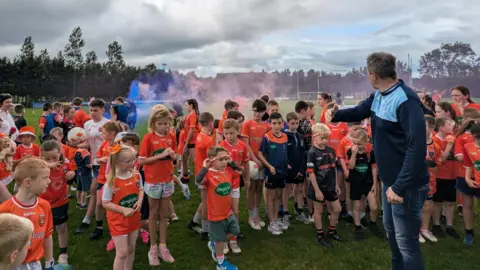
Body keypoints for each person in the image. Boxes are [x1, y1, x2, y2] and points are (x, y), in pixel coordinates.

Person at [326, 52, 429, 270]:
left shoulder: (406, 100)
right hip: (391, 182)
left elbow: (417, 147)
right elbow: (359, 111)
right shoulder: (379, 95)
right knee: (393, 238)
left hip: (406, 186)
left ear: (373, 75)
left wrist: (400, 186)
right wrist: (335, 114)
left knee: (407, 245)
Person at [0, 158, 54, 270]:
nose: (49, 181)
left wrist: (50, 262)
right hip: (11, 265)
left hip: (35, 264)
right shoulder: (5, 209)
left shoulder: (44, 206)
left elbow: (47, 236)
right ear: (28, 182)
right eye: (45, 178)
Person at [139, 109, 176, 266]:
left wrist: (173, 157)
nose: (163, 127)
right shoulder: (148, 138)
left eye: (165, 123)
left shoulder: (171, 137)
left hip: (167, 180)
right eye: (159, 124)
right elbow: (141, 161)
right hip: (153, 181)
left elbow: (174, 159)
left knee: (164, 215)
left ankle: (163, 246)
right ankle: (153, 248)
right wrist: (161, 156)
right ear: (153, 124)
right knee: (153, 215)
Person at [197, 146, 242, 270]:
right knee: (220, 240)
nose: (224, 162)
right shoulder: (209, 175)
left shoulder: (228, 170)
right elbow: (198, 180)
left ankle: (214, 243)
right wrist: (205, 167)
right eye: (220, 159)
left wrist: (231, 161)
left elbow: (240, 171)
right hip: (216, 215)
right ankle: (220, 263)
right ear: (211, 160)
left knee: (235, 231)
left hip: (228, 212)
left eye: (225, 159)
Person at [102, 144, 144, 270]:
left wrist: (140, 201)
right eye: (129, 160)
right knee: (122, 253)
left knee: (131, 249)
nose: (133, 162)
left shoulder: (136, 175)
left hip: (134, 219)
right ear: (118, 163)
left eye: (133, 159)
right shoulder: (111, 181)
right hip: (118, 222)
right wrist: (123, 210)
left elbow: (141, 189)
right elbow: (105, 202)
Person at [76, 99, 109, 239]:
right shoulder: (87, 124)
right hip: (95, 162)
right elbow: (88, 143)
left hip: (106, 163)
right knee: (95, 192)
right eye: (91, 110)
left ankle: (91, 220)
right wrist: (75, 145)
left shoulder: (107, 124)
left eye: (96, 110)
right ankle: (91, 220)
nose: (93, 113)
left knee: (97, 191)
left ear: (102, 109)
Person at [306, 123, 344, 248]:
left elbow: (333, 169)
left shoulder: (331, 151)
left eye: (326, 138)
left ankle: (332, 231)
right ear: (314, 137)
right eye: (322, 138)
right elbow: (311, 174)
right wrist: (317, 191)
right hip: (318, 187)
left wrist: (337, 185)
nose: (325, 141)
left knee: (337, 209)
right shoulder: (311, 153)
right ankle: (320, 235)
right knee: (319, 210)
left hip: (330, 186)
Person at [39, 140, 75, 265]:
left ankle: (63, 253)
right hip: (42, 204)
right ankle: (43, 254)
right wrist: (45, 166)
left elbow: (70, 172)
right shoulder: (38, 167)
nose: (52, 161)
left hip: (61, 202)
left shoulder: (64, 165)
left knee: (61, 227)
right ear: (41, 157)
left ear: (60, 154)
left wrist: (72, 174)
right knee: (42, 230)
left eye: (54, 157)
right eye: (47, 158)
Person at [346, 128, 383, 239]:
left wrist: (374, 184)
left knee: (374, 207)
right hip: (356, 182)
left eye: (360, 144)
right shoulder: (351, 151)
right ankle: (357, 227)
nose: (357, 145)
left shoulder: (370, 152)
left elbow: (373, 168)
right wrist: (353, 154)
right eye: (355, 143)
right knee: (356, 205)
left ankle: (372, 223)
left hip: (368, 182)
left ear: (367, 142)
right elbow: (351, 167)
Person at [219, 118, 250, 248]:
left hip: (236, 183)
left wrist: (247, 179)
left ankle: (233, 238)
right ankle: (223, 240)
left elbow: (246, 163)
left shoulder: (243, 146)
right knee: (224, 211)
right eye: (226, 133)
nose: (229, 136)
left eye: (231, 133)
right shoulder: (221, 147)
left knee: (235, 211)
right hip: (223, 184)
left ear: (238, 131)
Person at [241, 99, 271, 230]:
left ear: (264, 112)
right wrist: (254, 159)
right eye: (255, 111)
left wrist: (263, 161)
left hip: (262, 162)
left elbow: (267, 147)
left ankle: (257, 215)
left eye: (259, 111)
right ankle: (251, 216)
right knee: (251, 189)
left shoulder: (267, 127)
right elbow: (245, 144)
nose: (257, 114)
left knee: (259, 189)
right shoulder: (247, 124)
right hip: (251, 162)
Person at [258, 112, 289, 235]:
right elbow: (260, 153)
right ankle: (272, 223)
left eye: (279, 123)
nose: (277, 126)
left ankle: (276, 219)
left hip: (282, 172)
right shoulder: (267, 137)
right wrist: (269, 166)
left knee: (278, 196)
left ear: (282, 124)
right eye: (274, 123)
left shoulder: (285, 137)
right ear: (270, 124)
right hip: (271, 172)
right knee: (271, 197)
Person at [431, 117, 460, 239]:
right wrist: (449, 145)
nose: (452, 126)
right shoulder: (435, 140)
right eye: (449, 124)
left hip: (452, 175)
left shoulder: (454, 138)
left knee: (450, 202)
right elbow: (441, 159)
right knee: (437, 202)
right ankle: (436, 225)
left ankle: (449, 226)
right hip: (439, 175)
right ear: (441, 127)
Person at [189, 112, 215, 240]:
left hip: (199, 172)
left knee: (204, 200)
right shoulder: (208, 140)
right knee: (207, 204)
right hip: (205, 175)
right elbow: (211, 159)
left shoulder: (200, 136)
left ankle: (194, 222)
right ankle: (206, 231)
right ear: (210, 123)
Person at [282, 112, 306, 225]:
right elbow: (283, 154)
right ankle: (285, 213)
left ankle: (300, 211)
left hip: (299, 169)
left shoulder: (300, 136)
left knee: (299, 190)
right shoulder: (283, 136)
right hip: (289, 169)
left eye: (297, 123)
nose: (295, 125)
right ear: (287, 123)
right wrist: (289, 167)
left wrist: (302, 169)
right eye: (292, 123)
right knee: (287, 190)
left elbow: (303, 154)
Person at [421, 115, 441, 243]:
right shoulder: (414, 143)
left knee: (428, 206)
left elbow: (437, 167)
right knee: (416, 206)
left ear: (432, 128)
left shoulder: (436, 146)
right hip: (416, 180)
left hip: (430, 181)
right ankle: (415, 230)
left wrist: (431, 165)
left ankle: (425, 229)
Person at [462, 122, 480, 246]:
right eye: (476, 137)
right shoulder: (468, 146)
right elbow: (468, 165)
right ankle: (469, 232)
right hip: (473, 182)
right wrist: (467, 178)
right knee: (467, 205)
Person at [182, 99, 200, 183]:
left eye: (187, 105)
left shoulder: (192, 115)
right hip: (188, 140)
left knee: (195, 161)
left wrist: (187, 142)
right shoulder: (191, 114)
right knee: (184, 157)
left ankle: (201, 178)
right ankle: (185, 177)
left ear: (191, 105)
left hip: (192, 141)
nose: (186, 107)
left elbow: (192, 130)